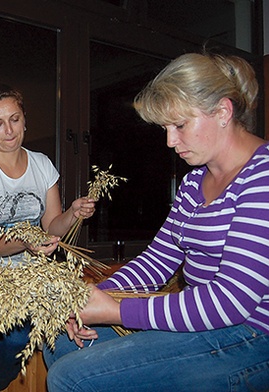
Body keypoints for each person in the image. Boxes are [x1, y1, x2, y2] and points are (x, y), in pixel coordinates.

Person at [44, 52, 269, 391]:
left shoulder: (262, 177)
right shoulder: (194, 184)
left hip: (253, 336)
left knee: (71, 377)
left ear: (223, 112)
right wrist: (91, 299)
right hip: (210, 326)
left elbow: (231, 301)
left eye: (180, 125)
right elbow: (158, 261)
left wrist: (116, 312)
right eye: (165, 128)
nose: (170, 141)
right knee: (60, 344)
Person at [0, 84, 96, 391]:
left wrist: (73, 213)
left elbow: (52, 226)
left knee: (14, 342)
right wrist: (26, 242)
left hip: (21, 281)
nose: (9, 130)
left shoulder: (41, 164)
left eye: (15, 119)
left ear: (25, 119)